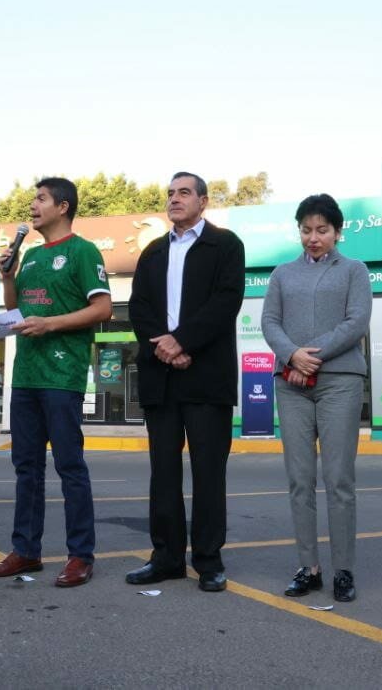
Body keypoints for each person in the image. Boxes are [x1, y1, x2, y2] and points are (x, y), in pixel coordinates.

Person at [0, 178, 112, 588]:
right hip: (26, 375)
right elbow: (15, 310)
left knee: (69, 465)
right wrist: (8, 277)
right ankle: (26, 550)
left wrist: (51, 324)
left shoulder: (83, 251)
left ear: (63, 206)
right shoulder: (31, 255)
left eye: (41, 199)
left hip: (62, 375)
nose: (33, 207)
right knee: (26, 467)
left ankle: (80, 555)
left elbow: (103, 309)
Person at [125, 172, 246, 593]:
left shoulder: (225, 245)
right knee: (163, 472)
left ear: (203, 201)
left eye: (184, 193)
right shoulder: (153, 251)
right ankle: (166, 557)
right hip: (161, 377)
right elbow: (139, 306)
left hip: (207, 377)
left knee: (209, 472)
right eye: (170, 193)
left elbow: (226, 302)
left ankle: (209, 561)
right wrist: (165, 346)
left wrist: (182, 341)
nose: (174, 199)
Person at [261, 193, 371, 602]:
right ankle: (308, 567)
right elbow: (269, 321)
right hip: (291, 383)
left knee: (339, 479)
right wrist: (292, 355)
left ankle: (343, 569)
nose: (313, 237)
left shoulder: (354, 270)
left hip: (339, 381)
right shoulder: (282, 273)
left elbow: (356, 321)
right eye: (306, 230)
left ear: (337, 232)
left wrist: (311, 356)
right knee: (299, 480)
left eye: (322, 230)